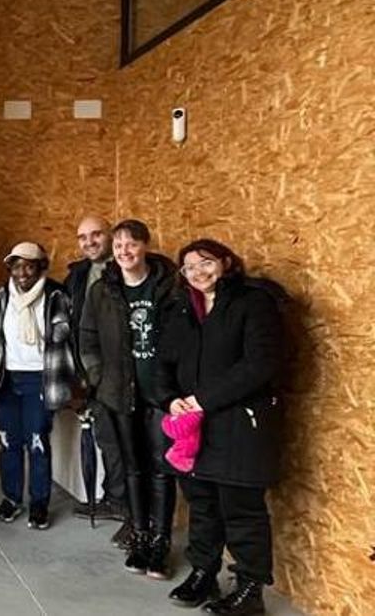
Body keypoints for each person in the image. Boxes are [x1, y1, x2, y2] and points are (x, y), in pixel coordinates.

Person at [160, 240, 283, 614]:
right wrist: (170, 398)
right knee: (202, 504)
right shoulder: (184, 309)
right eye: (189, 268)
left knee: (241, 509)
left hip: (240, 426)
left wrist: (204, 399)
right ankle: (203, 571)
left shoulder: (253, 302)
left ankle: (250, 590)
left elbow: (260, 363)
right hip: (195, 430)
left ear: (226, 262)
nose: (198, 272)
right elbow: (162, 363)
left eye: (206, 263)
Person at [80, 219, 179, 579]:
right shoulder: (102, 290)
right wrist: (98, 378)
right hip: (119, 393)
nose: (124, 251)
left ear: (146, 246)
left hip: (163, 395)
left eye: (132, 244)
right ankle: (139, 535)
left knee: (162, 469)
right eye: (119, 244)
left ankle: (160, 542)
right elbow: (87, 338)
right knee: (133, 467)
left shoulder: (170, 287)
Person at [0, 242, 77, 530]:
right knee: (9, 441)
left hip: (41, 378)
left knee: (37, 442)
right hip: (7, 378)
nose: (22, 272)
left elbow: (66, 338)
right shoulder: (0, 296)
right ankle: (11, 498)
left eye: (29, 265)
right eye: (17, 265)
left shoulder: (56, 295)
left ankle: (39, 503)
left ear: (40, 266)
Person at [64, 216, 131, 541]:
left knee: (127, 443)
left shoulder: (124, 271)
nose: (89, 241)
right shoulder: (77, 275)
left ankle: (133, 512)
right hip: (92, 371)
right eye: (82, 237)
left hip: (122, 374)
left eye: (96, 235)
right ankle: (115, 498)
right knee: (107, 439)